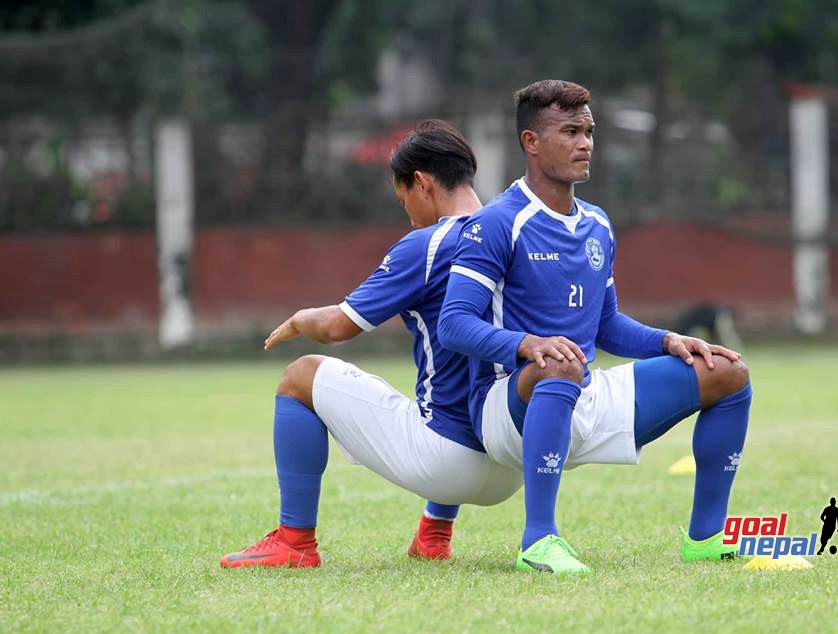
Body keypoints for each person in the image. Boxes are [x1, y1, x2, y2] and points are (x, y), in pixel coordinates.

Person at [437, 80, 753, 574]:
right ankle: (538, 540)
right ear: (531, 143)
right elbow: (453, 325)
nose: (585, 143)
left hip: (582, 388)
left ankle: (708, 537)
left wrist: (669, 340)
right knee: (560, 365)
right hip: (507, 404)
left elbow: (605, 325)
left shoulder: (598, 224)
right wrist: (528, 344)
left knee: (727, 372)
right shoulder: (497, 222)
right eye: (570, 131)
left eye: (588, 131)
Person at [220, 120, 521, 568]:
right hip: (513, 457)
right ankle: (434, 533)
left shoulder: (428, 244)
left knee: (300, 376)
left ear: (421, 183)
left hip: (447, 464)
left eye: (404, 203)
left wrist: (303, 318)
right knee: (461, 381)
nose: (409, 216)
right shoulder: (515, 232)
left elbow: (341, 326)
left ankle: (294, 542)